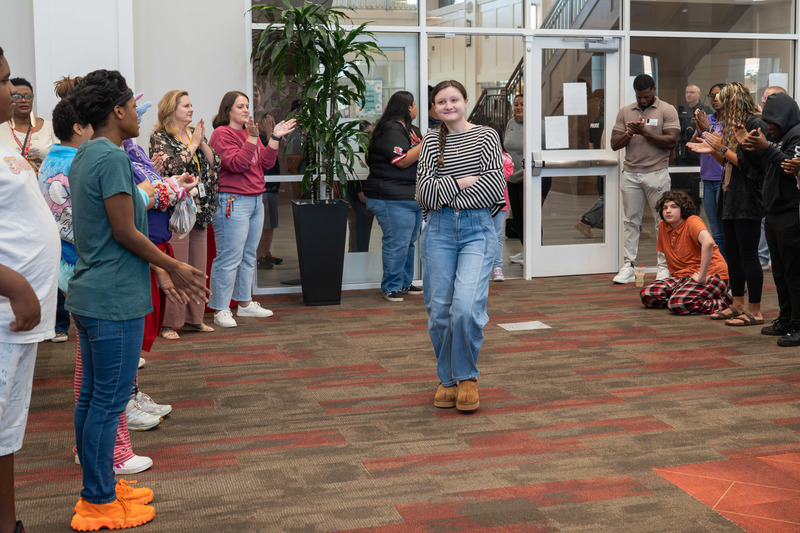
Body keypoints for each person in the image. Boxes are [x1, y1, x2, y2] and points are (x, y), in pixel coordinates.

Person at [67, 68, 208, 530]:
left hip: (93, 292)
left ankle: (101, 488)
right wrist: (174, 266)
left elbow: (114, 228)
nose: (136, 111)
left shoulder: (86, 153)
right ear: (118, 111)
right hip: (113, 298)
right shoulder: (110, 158)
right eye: (131, 103)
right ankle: (98, 500)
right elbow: (126, 231)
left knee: (93, 400)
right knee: (107, 404)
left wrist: (163, 274)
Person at [416, 80, 505, 412]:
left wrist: (443, 188)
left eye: (454, 99)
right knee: (439, 312)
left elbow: (493, 189)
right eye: (441, 101)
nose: (448, 105)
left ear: (466, 102)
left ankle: (466, 377)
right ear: (434, 107)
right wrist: (459, 181)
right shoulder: (429, 141)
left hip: (476, 229)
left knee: (465, 308)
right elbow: (423, 194)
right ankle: (448, 380)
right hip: (437, 231)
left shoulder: (486, 136)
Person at [0, 46, 60, 533]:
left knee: (5, 433)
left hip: (19, 318)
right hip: (6, 310)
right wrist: (12, 284)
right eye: (2, 82)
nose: (12, 91)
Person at [207, 91, 295, 328]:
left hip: (256, 199)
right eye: (240, 106)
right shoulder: (221, 134)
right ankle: (221, 308)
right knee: (229, 257)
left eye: (247, 106)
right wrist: (253, 138)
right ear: (228, 111)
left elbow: (266, 163)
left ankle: (244, 304)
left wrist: (274, 137)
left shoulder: (249, 133)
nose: (246, 110)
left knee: (248, 256)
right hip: (233, 200)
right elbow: (237, 164)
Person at [687, 82, 765, 327]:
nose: (716, 104)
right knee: (732, 251)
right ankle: (737, 304)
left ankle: (755, 310)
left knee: (748, 255)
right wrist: (712, 149)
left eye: (722, 100)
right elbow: (728, 162)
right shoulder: (734, 125)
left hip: (748, 197)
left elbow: (750, 166)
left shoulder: (754, 124)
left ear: (735, 101)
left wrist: (719, 146)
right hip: (731, 193)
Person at [150, 90, 220, 339]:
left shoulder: (194, 134)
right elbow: (172, 167)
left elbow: (215, 164)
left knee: (198, 266)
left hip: (200, 209)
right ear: (172, 110)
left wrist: (200, 141)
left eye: (192, 105)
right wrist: (191, 145)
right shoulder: (160, 137)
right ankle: (171, 322)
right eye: (186, 106)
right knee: (178, 267)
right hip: (177, 212)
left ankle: (194, 318)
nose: (191, 110)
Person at [737, 92, 800, 347]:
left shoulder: (796, 134)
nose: (769, 127)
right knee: (780, 272)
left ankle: (798, 324)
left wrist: (767, 148)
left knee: (795, 273)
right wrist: (747, 146)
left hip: (791, 212)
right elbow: (764, 167)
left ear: (784, 118)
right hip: (773, 211)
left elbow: (790, 168)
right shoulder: (778, 137)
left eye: (773, 123)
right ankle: (786, 318)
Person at [611, 74, 679, 283]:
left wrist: (644, 132)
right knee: (630, 221)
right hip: (631, 174)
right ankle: (628, 266)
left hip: (657, 173)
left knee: (662, 221)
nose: (643, 101)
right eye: (639, 97)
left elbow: (671, 141)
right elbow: (614, 143)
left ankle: (663, 266)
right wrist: (631, 134)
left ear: (654, 90)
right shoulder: (626, 111)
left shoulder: (667, 110)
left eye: (646, 96)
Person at [365, 91, 423, 302]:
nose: (416, 108)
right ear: (408, 107)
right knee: (397, 242)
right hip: (391, 196)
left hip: (410, 195)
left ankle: (404, 283)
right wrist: (427, 144)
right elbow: (402, 160)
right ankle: (391, 286)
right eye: (415, 104)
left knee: (408, 242)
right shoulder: (391, 129)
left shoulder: (410, 130)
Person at [640, 191, 729, 314]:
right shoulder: (662, 226)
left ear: (684, 209)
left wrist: (702, 277)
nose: (668, 211)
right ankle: (686, 299)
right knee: (647, 295)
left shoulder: (692, 221)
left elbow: (708, 243)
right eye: (664, 208)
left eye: (674, 207)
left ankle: (726, 300)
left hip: (712, 275)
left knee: (678, 303)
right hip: (683, 277)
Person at [688, 83, 727, 260]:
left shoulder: (733, 121)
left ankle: (733, 274)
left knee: (727, 229)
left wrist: (706, 129)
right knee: (716, 231)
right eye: (712, 96)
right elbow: (692, 146)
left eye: (719, 95)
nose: (714, 99)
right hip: (707, 179)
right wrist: (699, 128)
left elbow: (725, 147)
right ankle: (723, 271)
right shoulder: (707, 118)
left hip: (724, 180)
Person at [756, 85, 787, 271]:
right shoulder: (767, 126)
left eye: (768, 98)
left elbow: (787, 164)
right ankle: (764, 257)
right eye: (763, 98)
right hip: (768, 191)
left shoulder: (793, 131)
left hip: (786, 200)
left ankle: (764, 256)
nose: (763, 102)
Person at [0, 77, 56, 172]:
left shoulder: (50, 127)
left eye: (28, 96)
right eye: (17, 96)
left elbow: (59, 158)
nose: (23, 100)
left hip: (45, 183)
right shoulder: (1, 128)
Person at [255, 109, 284, 267]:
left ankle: (265, 253)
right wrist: (268, 134)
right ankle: (261, 256)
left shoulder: (271, 136)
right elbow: (265, 157)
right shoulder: (259, 138)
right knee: (266, 225)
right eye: (268, 118)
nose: (272, 119)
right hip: (265, 187)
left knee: (270, 224)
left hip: (272, 187)